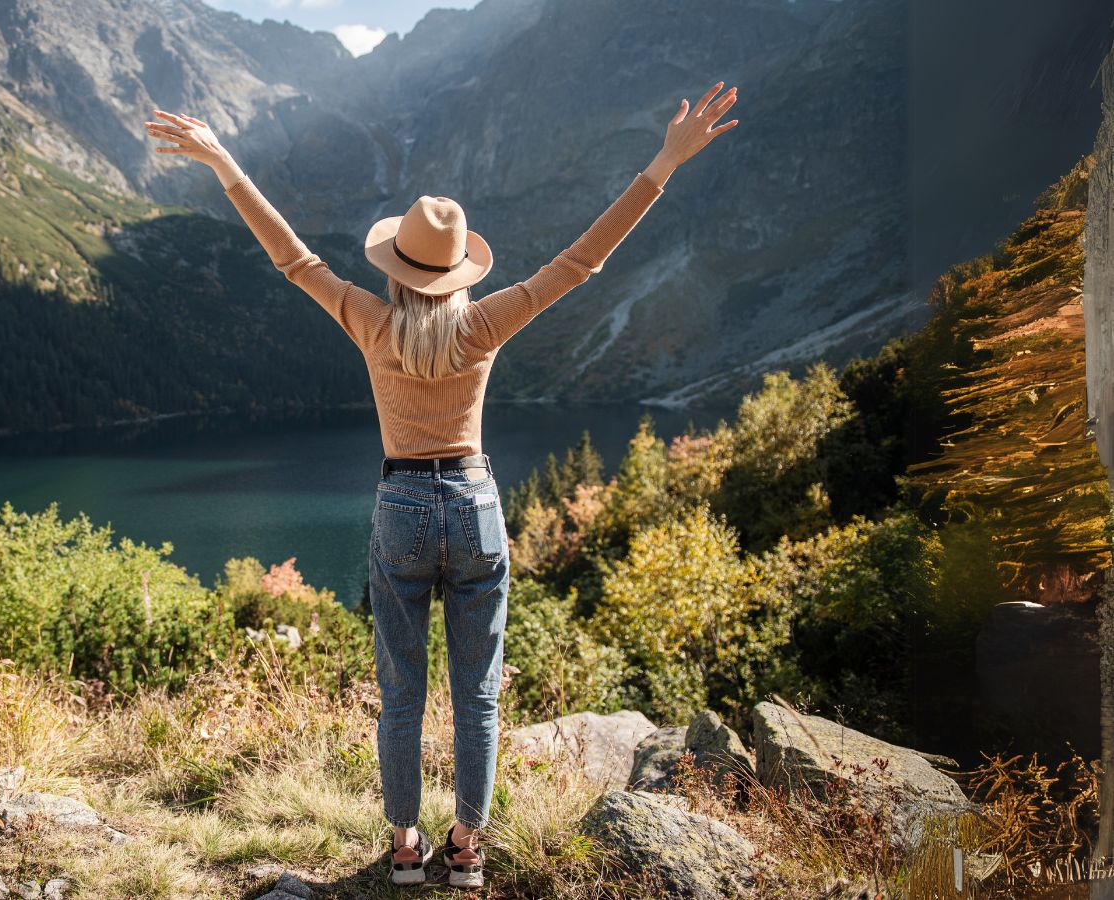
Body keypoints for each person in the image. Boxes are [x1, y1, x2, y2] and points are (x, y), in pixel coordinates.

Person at [144, 81, 738, 889]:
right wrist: (665, 161)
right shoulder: (486, 323)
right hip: (476, 503)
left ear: (395, 269)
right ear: (460, 271)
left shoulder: (371, 320)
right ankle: (464, 850)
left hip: (401, 508)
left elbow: (293, 260)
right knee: (478, 698)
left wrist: (224, 163)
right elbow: (581, 263)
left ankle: (403, 850)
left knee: (400, 695)